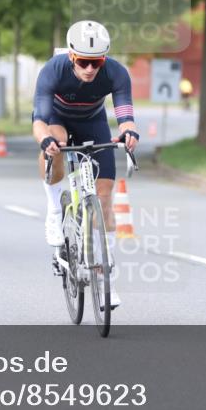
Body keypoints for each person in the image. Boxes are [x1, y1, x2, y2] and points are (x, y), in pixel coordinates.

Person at [33, 21, 139, 308]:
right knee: (56, 142)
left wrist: (129, 131)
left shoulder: (116, 72)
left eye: (96, 62)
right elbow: (39, 119)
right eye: (83, 62)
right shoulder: (53, 70)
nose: (90, 69)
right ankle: (55, 210)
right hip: (56, 120)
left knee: (104, 200)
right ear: (71, 56)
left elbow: (125, 112)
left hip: (93, 123)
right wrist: (45, 141)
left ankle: (106, 282)